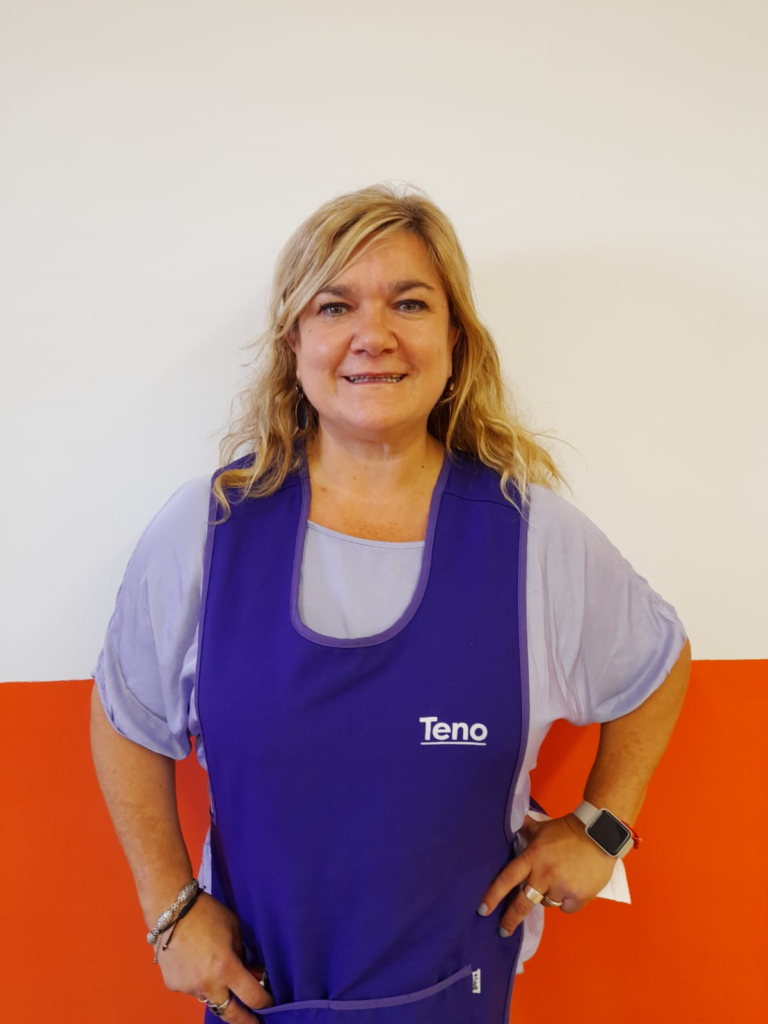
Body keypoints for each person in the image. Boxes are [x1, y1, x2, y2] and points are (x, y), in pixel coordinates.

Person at [90, 184, 691, 1024]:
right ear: (294, 341)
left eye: (409, 303)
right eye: (334, 306)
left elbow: (658, 666)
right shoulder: (209, 529)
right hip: (260, 998)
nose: (373, 336)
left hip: (455, 997)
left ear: (454, 339)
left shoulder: (533, 539)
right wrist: (169, 909)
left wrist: (602, 827)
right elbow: (127, 715)